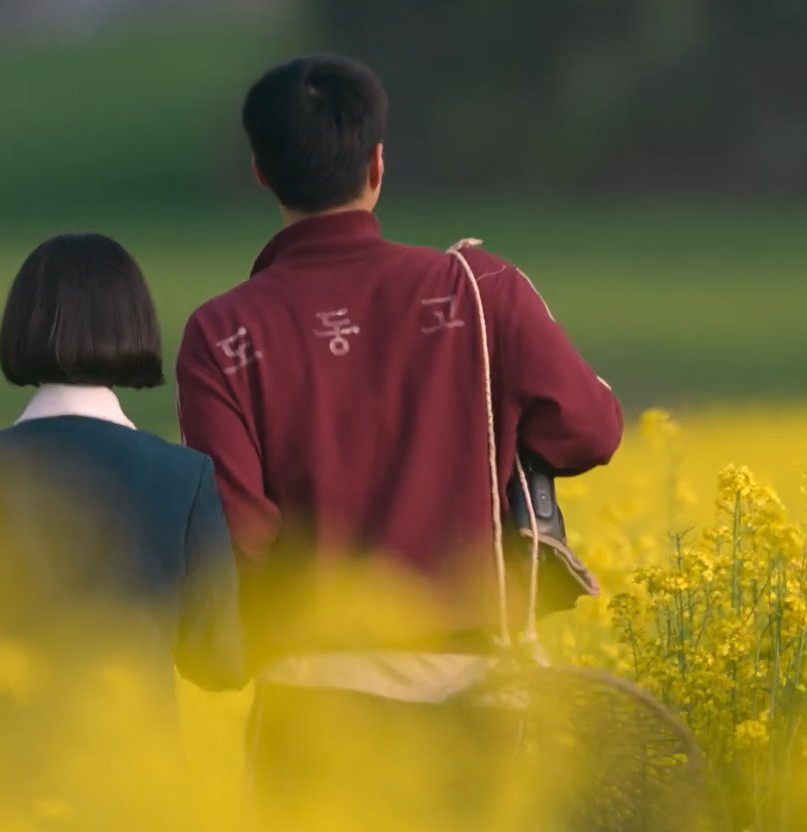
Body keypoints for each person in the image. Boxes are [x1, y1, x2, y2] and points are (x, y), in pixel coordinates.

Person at [174, 54, 624, 815]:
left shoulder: (223, 333)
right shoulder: (482, 293)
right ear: (377, 162)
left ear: (260, 171)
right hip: (477, 698)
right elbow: (592, 433)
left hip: (311, 701)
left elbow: (238, 532)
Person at [0, 232, 246, 799]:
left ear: (22, 326)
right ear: (135, 326)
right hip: (134, 794)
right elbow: (219, 664)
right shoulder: (185, 477)